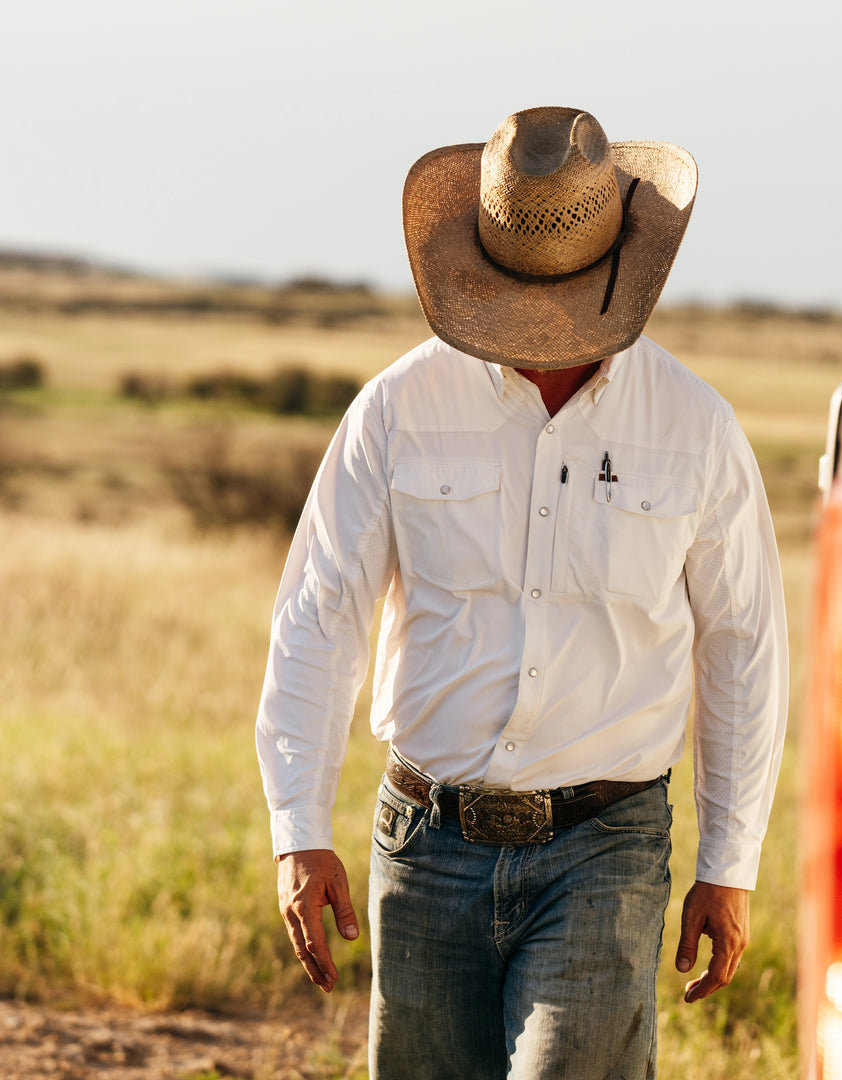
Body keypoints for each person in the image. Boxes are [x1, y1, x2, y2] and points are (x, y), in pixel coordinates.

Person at [256, 105, 788, 1080]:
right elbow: (319, 614)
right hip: (424, 842)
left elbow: (742, 648)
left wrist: (729, 862)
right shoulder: (398, 410)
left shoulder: (695, 429)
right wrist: (298, 829)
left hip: (605, 848)